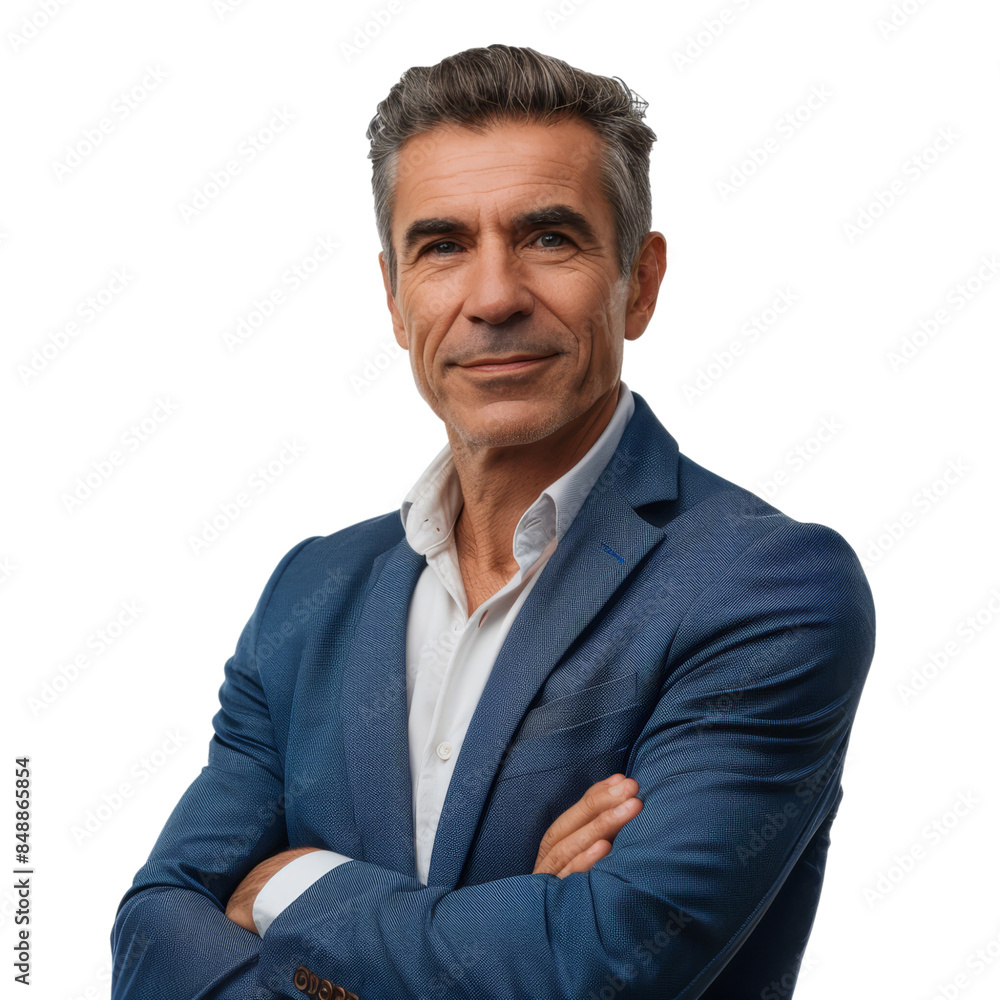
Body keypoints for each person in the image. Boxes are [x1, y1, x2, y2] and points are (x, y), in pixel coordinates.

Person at [111, 44, 875, 1000]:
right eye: (442, 246)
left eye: (549, 238)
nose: (494, 297)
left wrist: (289, 886)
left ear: (640, 282)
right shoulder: (310, 594)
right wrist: (513, 916)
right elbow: (153, 936)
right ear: (395, 297)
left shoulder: (770, 589)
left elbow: (596, 970)